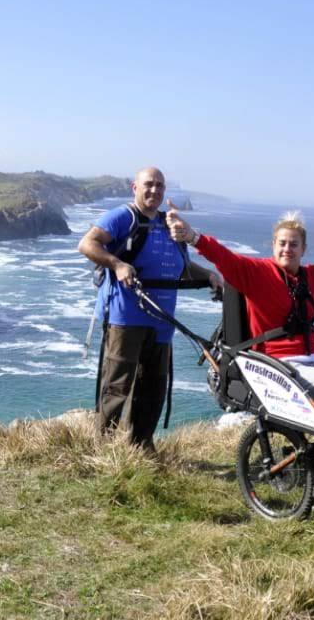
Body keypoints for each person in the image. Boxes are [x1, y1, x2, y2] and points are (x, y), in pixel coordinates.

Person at [170, 208, 314, 512]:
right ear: (273, 245)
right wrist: (192, 237)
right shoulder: (255, 273)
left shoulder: (313, 277)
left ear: (303, 249)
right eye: (282, 243)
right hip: (279, 365)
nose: (287, 249)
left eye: (294, 244)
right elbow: (223, 257)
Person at [77, 167, 216, 449]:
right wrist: (117, 264)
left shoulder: (168, 224)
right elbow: (86, 243)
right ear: (135, 188)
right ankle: (103, 450)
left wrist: (211, 276)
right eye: (148, 185)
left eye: (160, 186)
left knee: (154, 387)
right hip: (125, 316)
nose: (154, 190)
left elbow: (180, 267)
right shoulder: (122, 217)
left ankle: (141, 447)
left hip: (162, 322)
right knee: (117, 386)